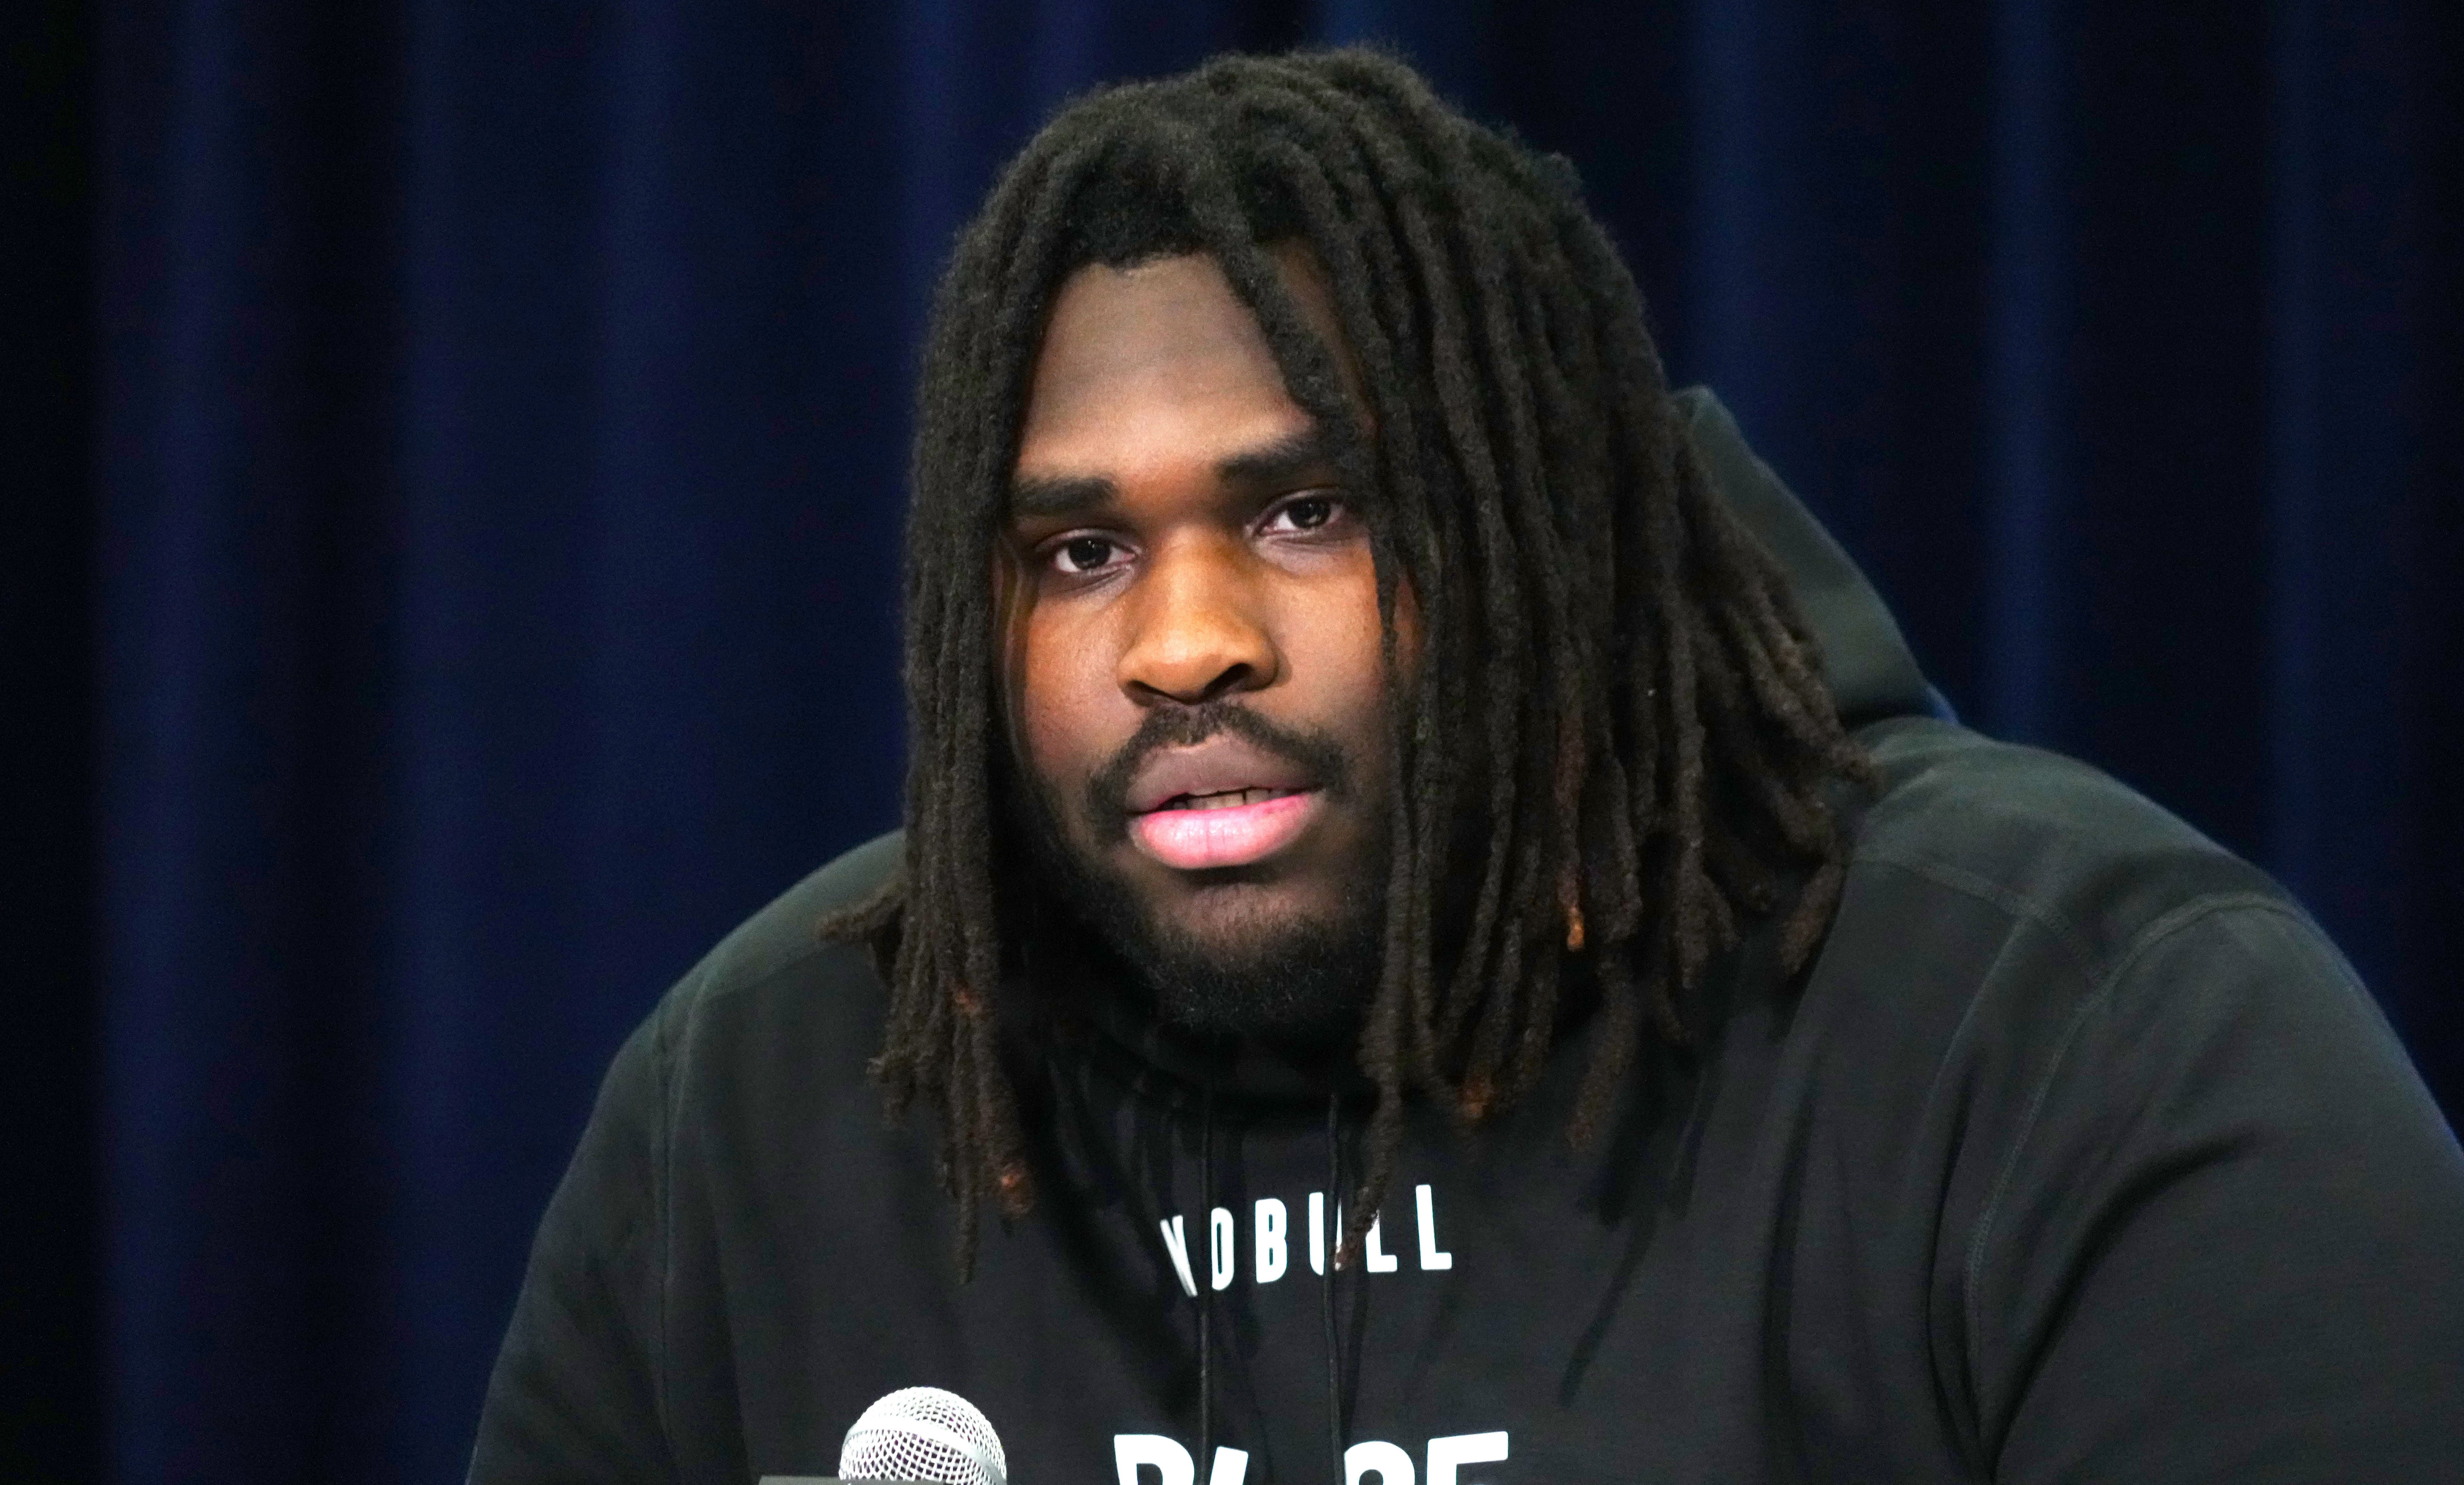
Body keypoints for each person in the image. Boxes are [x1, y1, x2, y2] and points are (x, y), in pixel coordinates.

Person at [469, 48, 2464, 1485]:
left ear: (1551, 529)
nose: (1181, 643)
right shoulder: (762, 1103)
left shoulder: (2072, 1029)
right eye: (1077, 553)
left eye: (1313, 511)